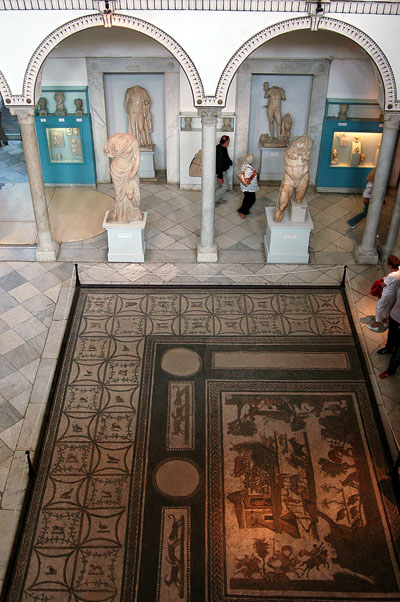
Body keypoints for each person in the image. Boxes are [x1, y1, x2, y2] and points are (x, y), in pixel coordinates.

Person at [103, 132, 142, 223]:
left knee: (131, 193)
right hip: (116, 170)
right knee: (119, 194)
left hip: (129, 170)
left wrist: (134, 171)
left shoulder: (132, 140)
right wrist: (113, 154)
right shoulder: (112, 140)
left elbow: (137, 158)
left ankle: (134, 211)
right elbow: (106, 151)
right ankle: (119, 214)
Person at [367, 255, 400, 331]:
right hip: (394, 291)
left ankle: (376, 324)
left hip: (387, 292)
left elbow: (383, 284)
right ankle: (384, 320)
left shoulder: (391, 276)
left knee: (379, 306)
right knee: (389, 305)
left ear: (389, 265)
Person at [377, 288, 400, 379]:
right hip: (394, 317)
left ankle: (390, 371)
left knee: (398, 353)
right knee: (391, 336)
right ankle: (388, 348)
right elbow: (394, 299)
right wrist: (388, 312)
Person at [237, 154, 258, 219]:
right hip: (249, 187)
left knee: (247, 198)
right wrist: (253, 175)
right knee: (251, 200)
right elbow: (247, 181)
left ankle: (243, 210)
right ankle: (242, 212)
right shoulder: (249, 169)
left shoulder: (244, 165)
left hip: (247, 188)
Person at [215, 135, 232, 206]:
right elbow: (219, 165)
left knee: (219, 185)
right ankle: (213, 200)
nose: (229, 142)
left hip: (221, 171)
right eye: (229, 141)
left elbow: (226, 157)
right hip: (221, 172)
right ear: (226, 142)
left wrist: (230, 162)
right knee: (225, 187)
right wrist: (220, 177)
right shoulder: (220, 151)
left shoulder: (221, 147)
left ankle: (218, 199)